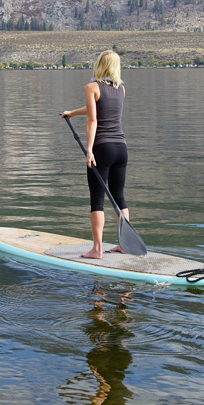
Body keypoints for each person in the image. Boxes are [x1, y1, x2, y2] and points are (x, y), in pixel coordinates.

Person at [61, 51, 129, 259]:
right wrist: (72, 113)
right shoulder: (121, 90)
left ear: (99, 65)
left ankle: (97, 249)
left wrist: (89, 150)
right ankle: (124, 245)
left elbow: (93, 120)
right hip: (121, 148)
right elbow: (98, 110)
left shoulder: (91, 87)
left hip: (102, 149)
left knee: (97, 200)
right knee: (119, 197)